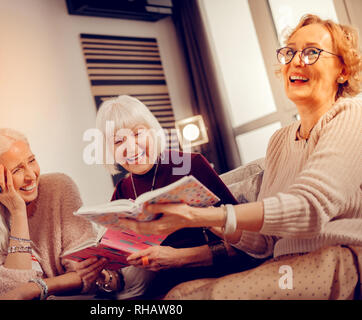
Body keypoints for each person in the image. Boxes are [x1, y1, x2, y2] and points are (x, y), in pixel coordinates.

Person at [117, 14, 362, 300]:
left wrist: (199, 214)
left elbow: (309, 207)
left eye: (311, 52)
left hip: (338, 259)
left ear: (343, 71)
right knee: (178, 294)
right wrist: (202, 220)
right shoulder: (280, 140)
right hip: (282, 263)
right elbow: (264, 243)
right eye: (290, 52)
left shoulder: (351, 116)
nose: (296, 61)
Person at [95, 95, 263, 298]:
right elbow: (124, 264)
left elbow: (246, 242)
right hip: (161, 288)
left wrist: (178, 257)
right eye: (119, 141)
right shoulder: (123, 190)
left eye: (138, 134)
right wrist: (105, 276)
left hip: (213, 276)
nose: (131, 147)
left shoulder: (190, 165)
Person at [0, 128, 122, 299]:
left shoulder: (59, 187)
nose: (31, 175)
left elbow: (84, 270)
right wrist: (18, 213)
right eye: (17, 170)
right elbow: (11, 290)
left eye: (31, 160)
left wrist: (38, 288)